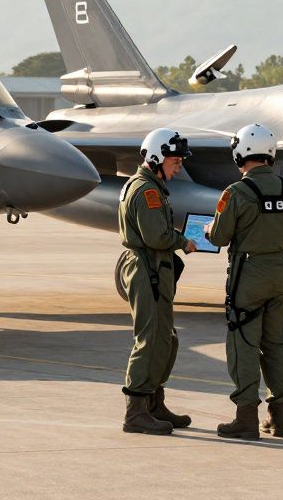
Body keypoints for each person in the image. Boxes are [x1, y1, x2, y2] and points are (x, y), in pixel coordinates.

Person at [204, 124, 283, 440]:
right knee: (274, 344)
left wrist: (207, 231)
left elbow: (220, 235)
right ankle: (279, 417)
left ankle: (246, 417)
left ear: (239, 152)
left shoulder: (235, 193)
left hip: (248, 273)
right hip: (279, 272)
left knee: (243, 344)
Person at [118, 127, 198, 435]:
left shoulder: (150, 186)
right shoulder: (147, 191)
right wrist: (183, 241)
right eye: (175, 161)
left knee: (167, 338)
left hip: (155, 268)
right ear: (156, 157)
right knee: (150, 339)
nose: (179, 166)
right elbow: (156, 236)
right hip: (146, 268)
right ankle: (136, 412)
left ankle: (154, 402)